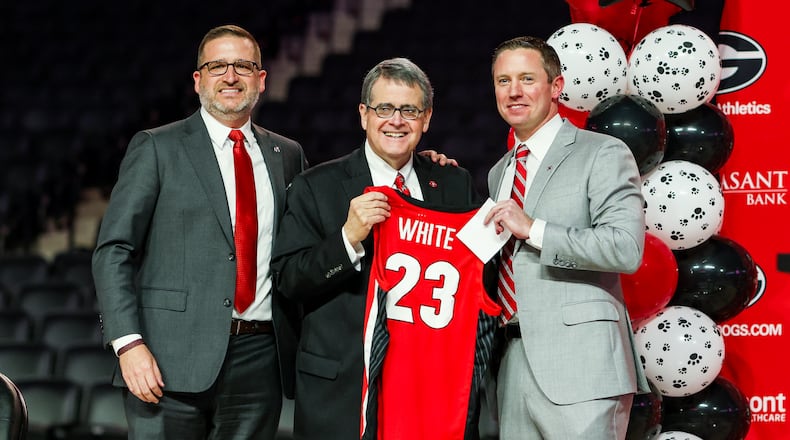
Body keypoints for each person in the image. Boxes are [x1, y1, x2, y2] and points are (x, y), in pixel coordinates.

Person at [92, 24, 307, 439]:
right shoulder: (157, 146)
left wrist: (417, 166)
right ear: (198, 79)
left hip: (260, 360)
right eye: (217, 66)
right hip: (165, 361)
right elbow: (113, 250)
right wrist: (127, 343)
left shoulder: (288, 154)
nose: (231, 76)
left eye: (243, 66)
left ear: (262, 79)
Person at [271, 57, 496, 439]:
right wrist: (347, 238)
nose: (396, 120)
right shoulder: (317, 186)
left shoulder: (453, 183)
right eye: (384, 108)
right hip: (343, 390)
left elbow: (479, 276)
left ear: (426, 119)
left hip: (427, 388)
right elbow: (289, 279)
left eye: (409, 110)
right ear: (363, 114)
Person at [483, 36, 650, 439]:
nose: (514, 91)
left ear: (556, 86)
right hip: (512, 361)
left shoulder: (602, 152)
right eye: (504, 81)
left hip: (583, 368)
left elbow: (625, 248)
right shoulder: (499, 172)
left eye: (527, 79)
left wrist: (534, 229)